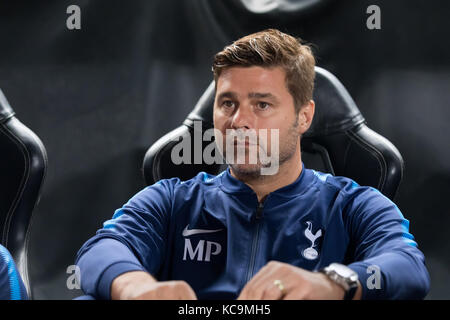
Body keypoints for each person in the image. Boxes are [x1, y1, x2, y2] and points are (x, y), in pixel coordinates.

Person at [75, 29, 430, 300]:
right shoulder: (173, 199)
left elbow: (408, 266)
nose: (239, 121)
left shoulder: (352, 205)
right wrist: (135, 286)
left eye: (262, 105)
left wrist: (332, 283)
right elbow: (100, 250)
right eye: (228, 103)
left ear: (304, 116)